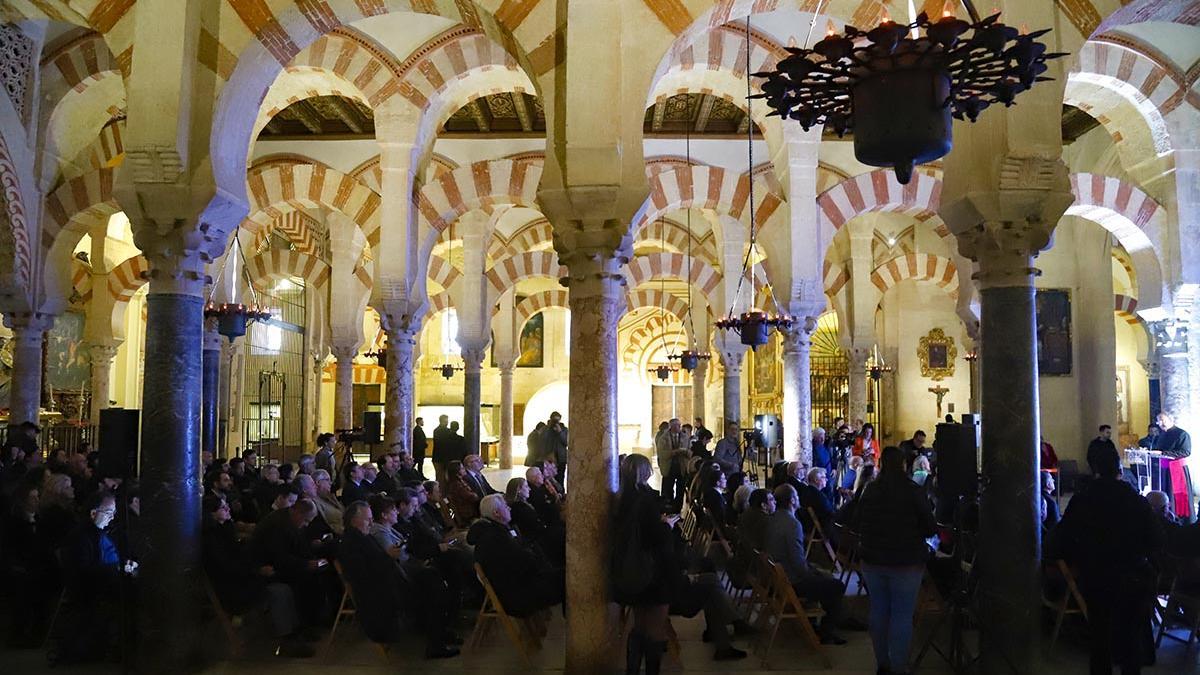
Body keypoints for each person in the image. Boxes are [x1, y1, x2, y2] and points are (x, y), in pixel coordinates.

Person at [1051, 444, 1163, 674]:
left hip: (1097, 577)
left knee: (1100, 640)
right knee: (1131, 640)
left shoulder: (1082, 500)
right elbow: (1156, 539)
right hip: (1132, 575)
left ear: (1095, 470)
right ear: (1119, 469)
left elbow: (1062, 539)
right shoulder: (1136, 500)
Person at [338, 500, 460, 658]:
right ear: (354, 520)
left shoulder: (361, 537)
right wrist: (388, 557)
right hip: (380, 595)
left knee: (432, 578)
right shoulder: (351, 543)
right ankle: (436, 642)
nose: (370, 522)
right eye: (367, 519)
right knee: (432, 589)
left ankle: (439, 633)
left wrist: (388, 557)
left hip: (388, 583)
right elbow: (364, 574)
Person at [852, 445, 936, 675]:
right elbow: (930, 527)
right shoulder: (913, 491)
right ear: (904, 465)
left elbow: (856, 519)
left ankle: (883, 664)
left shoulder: (870, 489)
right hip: (906, 562)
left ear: (881, 465)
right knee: (901, 613)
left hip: (873, 559)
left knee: (878, 610)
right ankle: (899, 666)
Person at [612, 453, 681, 674]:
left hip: (630, 569)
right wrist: (667, 525)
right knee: (655, 628)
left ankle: (632, 669)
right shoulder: (644, 500)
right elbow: (654, 538)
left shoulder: (622, 497)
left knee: (639, 624)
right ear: (644, 473)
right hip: (650, 572)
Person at [57, 492, 137, 664]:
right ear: (94, 513)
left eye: (113, 513)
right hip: (94, 588)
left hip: (114, 579)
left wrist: (128, 563)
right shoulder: (80, 537)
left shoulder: (110, 532)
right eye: (108, 513)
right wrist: (116, 569)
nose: (112, 517)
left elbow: (122, 555)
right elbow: (81, 571)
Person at [765, 484, 847, 644]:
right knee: (837, 586)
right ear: (792, 501)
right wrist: (814, 574)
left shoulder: (772, 519)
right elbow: (798, 564)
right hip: (792, 581)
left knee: (824, 577)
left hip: (778, 579)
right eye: (796, 496)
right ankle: (827, 631)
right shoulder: (792, 524)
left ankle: (815, 623)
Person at [468, 494, 564, 617]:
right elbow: (525, 563)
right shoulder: (494, 538)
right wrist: (536, 555)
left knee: (563, 573)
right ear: (497, 513)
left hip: (520, 585)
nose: (509, 508)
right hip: (517, 597)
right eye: (506, 506)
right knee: (568, 579)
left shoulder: (495, 530)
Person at [1154, 410, 1193, 520]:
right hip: (1164, 469)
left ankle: (1180, 518)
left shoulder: (1182, 434)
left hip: (1177, 469)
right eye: (1158, 421)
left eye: (1162, 420)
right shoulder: (1162, 435)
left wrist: (1163, 453)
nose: (1160, 423)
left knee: (1177, 496)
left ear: (1170, 419)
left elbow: (1185, 452)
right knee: (1167, 493)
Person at [445, 460, 479, 525]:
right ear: (457, 472)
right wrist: (475, 495)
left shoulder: (461, 480)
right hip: (467, 514)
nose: (464, 469)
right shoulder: (456, 485)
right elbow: (473, 497)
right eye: (462, 468)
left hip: (469, 510)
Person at [431, 415, 452, 483]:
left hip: (437, 456)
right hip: (443, 457)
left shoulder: (436, 430)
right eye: (446, 421)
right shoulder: (447, 431)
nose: (447, 422)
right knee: (442, 477)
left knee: (439, 476)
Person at [1041, 470, 1060, 535]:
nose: (1053, 480)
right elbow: (1056, 525)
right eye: (1051, 479)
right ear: (1047, 484)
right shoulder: (1051, 502)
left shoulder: (1038, 497)